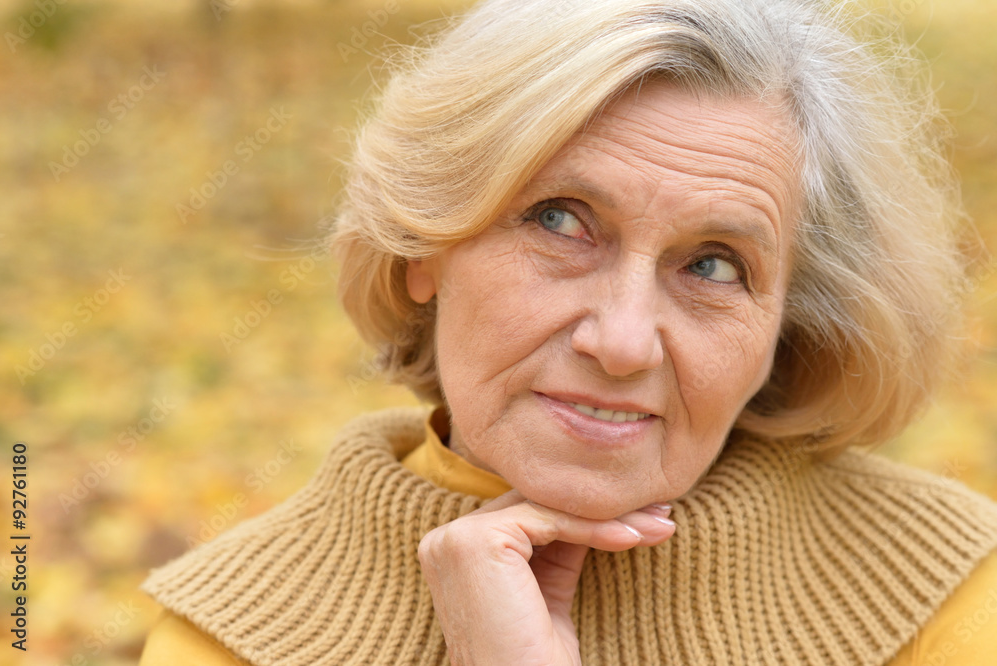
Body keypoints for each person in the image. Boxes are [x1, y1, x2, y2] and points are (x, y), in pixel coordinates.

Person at [139, 0, 997, 663]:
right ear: (423, 245)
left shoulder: (946, 594)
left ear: (790, 322)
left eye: (714, 266)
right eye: (561, 221)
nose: (623, 343)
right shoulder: (234, 639)